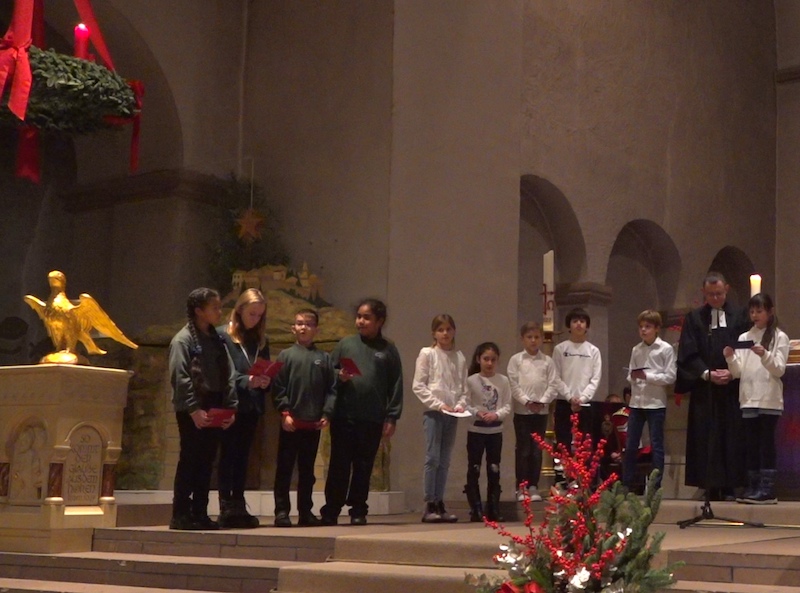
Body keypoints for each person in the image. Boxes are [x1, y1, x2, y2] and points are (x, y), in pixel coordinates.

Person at [320, 298, 403, 526]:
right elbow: (329, 372)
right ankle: (331, 509)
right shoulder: (345, 344)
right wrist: (338, 376)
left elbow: (396, 384)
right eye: (358, 317)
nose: (361, 321)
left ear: (380, 321)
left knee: (363, 466)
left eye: (366, 317)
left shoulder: (388, 349)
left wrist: (392, 416)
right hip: (344, 415)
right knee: (339, 464)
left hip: (372, 417)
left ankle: (358, 509)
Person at [676, 272, 749, 500]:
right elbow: (688, 352)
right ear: (703, 293)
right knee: (705, 435)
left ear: (726, 289)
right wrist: (707, 374)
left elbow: (746, 348)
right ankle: (708, 484)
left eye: (719, 293)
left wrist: (732, 372)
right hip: (705, 388)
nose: (715, 298)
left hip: (732, 388)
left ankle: (732, 484)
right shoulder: (695, 318)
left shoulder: (740, 316)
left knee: (732, 434)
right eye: (710, 295)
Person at [168, 287, 237, 530]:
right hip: (193, 407)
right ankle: (181, 514)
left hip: (215, 404)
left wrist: (230, 408)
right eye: (214, 308)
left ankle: (200, 512)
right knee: (190, 459)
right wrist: (193, 409)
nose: (220, 312)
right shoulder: (183, 340)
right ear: (199, 311)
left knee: (207, 461)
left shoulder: (218, 340)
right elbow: (180, 377)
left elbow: (229, 373)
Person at [271, 308, 336, 526]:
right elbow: (278, 387)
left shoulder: (324, 358)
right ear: (293, 328)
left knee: (307, 471)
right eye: (299, 323)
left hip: (313, 423)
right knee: (285, 468)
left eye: (308, 324)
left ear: (316, 330)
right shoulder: (285, 356)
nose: (303, 327)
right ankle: (281, 512)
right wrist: (285, 412)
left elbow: (331, 389)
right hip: (291, 423)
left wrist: (327, 413)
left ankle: (305, 512)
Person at [724, 293, 789, 504]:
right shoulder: (745, 337)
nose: (755, 315)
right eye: (752, 311)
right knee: (751, 444)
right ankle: (752, 486)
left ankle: (767, 489)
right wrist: (730, 358)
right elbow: (737, 372)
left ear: (770, 312)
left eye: (759, 311)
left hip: (769, 398)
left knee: (765, 443)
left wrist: (764, 355)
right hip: (749, 398)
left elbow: (779, 369)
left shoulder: (779, 337)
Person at [217, 288, 270, 529]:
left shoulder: (260, 340)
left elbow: (264, 367)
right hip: (231, 404)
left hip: (252, 406)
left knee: (243, 457)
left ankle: (238, 503)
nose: (255, 319)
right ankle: (225, 505)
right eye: (252, 314)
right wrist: (246, 380)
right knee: (228, 455)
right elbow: (222, 372)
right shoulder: (224, 336)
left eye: (260, 315)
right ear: (239, 310)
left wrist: (265, 381)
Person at [412, 314, 468, 523]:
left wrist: (460, 404)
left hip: (452, 413)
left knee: (444, 460)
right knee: (433, 458)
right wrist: (438, 404)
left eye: (448, 329)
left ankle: (440, 501)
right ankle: (429, 503)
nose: (445, 333)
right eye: (440, 330)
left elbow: (463, 388)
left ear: (454, 331)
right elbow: (419, 385)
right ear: (434, 333)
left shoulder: (459, 357)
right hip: (434, 412)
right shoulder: (427, 354)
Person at [624, 310, 676, 492]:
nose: (643, 330)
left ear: (657, 329)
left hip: (656, 403)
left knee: (656, 445)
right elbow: (630, 374)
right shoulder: (636, 349)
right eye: (641, 327)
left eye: (647, 327)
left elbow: (670, 376)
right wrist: (633, 376)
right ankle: (627, 484)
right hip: (637, 402)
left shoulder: (665, 349)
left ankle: (655, 486)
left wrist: (647, 376)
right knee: (631, 445)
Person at [507, 322, 558, 503]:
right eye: (529, 337)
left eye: (537, 337)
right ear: (522, 339)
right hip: (523, 412)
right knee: (523, 450)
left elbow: (553, 384)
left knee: (537, 451)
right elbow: (513, 384)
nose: (533, 340)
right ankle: (521, 486)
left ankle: (533, 485)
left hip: (541, 412)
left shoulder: (547, 361)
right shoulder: (516, 360)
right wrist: (526, 402)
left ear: (542, 339)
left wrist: (542, 402)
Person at [464, 342, 516, 522]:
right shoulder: (471, 381)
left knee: (494, 468)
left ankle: (493, 507)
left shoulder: (503, 381)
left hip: (495, 431)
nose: (489, 363)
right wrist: (477, 413)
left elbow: (507, 405)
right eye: (486, 359)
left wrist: (496, 415)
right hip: (476, 430)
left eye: (493, 359)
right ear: (478, 359)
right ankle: (476, 508)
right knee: (474, 468)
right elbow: (465, 403)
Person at [552, 308, 602, 463]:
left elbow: (595, 378)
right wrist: (569, 397)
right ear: (569, 325)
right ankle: (564, 475)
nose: (579, 324)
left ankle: (582, 477)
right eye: (575, 321)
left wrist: (583, 398)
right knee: (563, 446)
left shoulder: (593, 351)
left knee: (584, 448)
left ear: (587, 326)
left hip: (585, 404)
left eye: (582, 321)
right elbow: (555, 376)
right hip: (564, 403)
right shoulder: (560, 349)